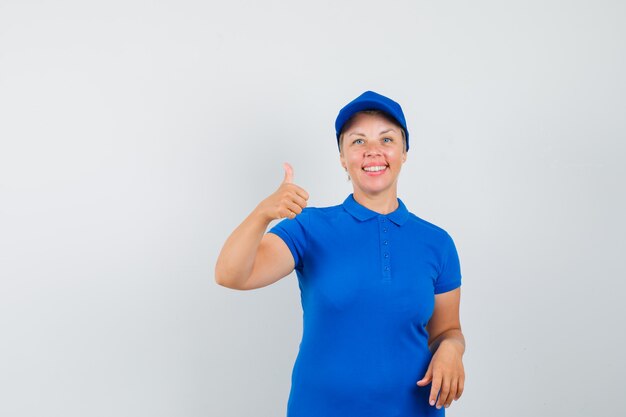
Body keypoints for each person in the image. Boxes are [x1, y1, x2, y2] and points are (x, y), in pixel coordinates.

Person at [215, 91, 465, 416]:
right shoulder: (308, 228)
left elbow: (447, 330)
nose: (373, 151)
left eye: (386, 139)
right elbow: (231, 274)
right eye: (358, 142)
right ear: (342, 158)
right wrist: (263, 213)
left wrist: (451, 349)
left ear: (404, 152)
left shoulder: (437, 242)